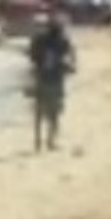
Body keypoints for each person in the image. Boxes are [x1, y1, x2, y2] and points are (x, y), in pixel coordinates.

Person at [28, 15, 76, 152]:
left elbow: (32, 56)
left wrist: (38, 65)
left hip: (41, 78)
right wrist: (70, 67)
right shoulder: (63, 40)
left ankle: (38, 141)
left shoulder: (39, 39)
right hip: (56, 80)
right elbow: (72, 56)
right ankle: (50, 141)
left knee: (39, 112)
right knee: (54, 113)